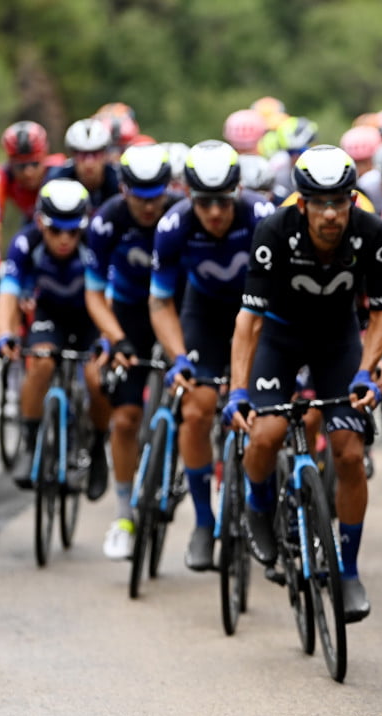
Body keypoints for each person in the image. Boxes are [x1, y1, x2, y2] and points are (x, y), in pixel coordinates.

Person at [227, 144, 382, 623]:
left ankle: (347, 569)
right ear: (302, 204)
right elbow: (249, 321)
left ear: (351, 200)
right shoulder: (274, 230)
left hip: (337, 340)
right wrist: (239, 389)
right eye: (319, 203)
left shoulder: (371, 231)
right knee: (266, 433)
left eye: (339, 201)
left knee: (347, 449)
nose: (330, 213)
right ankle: (257, 507)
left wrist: (367, 368)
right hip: (278, 336)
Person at [149, 139, 276, 571]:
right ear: (189, 196)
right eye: (204, 203)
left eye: (223, 201)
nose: (216, 213)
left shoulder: (262, 217)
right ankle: (204, 522)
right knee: (197, 407)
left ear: (238, 190)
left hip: (258, 314)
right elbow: (160, 302)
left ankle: (266, 503)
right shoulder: (173, 226)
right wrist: (178, 356)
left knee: (267, 415)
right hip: (202, 313)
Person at [86, 144, 181, 559]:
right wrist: (115, 337)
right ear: (123, 190)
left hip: (180, 311)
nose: (148, 206)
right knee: (124, 419)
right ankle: (124, 515)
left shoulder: (182, 214)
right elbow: (92, 293)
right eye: (138, 197)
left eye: (156, 196)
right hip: (128, 315)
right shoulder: (107, 219)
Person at [0, 180, 111, 503]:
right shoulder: (24, 243)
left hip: (91, 315)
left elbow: (112, 300)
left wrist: (108, 339)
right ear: (41, 224)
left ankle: (98, 446)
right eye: (56, 231)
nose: (64, 239)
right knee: (42, 361)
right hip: (50, 314)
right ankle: (31, 445)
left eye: (73, 232)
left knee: (95, 376)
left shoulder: (96, 242)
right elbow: (7, 294)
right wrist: (4, 333)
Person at [0, 121, 63, 227]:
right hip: (31, 221)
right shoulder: (2, 177)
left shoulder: (60, 169)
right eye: (20, 166)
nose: (28, 173)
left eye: (35, 164)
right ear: (10, 163)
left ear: (45, 156)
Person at [45, 118, 121, 211]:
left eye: (95, 153)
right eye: (82, 154)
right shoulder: (58, 178)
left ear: (105, 154)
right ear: (72, 155)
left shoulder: (119, 180)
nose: (89, 162)